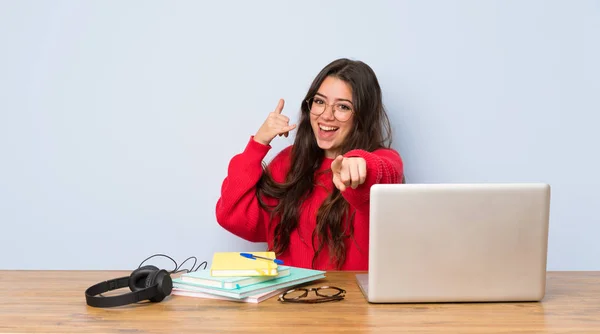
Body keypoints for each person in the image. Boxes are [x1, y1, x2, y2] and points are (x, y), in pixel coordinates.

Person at [215, 58, 404, 271]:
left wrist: (360, 165)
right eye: (320, 102)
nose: (326, 115)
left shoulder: (384, 161)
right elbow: (231, 215)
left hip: (349, 302)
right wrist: (258, 144)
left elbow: (384, 173)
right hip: (289, 299)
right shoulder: (290, 162)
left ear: (362, 116)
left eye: (343, 106)